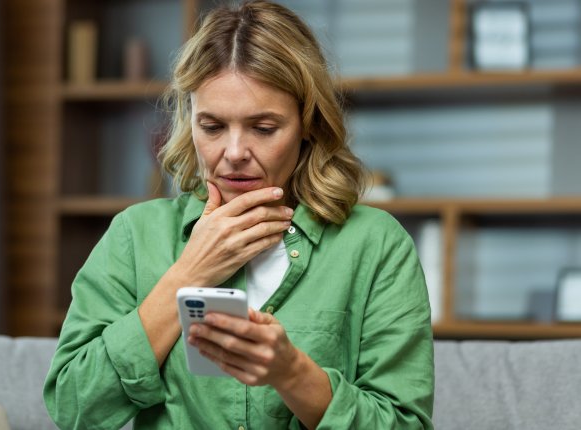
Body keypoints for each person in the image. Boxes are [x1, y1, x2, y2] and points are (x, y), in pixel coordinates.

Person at [44, 1, 434, 429]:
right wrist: (189, 273)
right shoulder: (135, 236)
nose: (233, 154)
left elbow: (403, 424)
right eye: (211, 127)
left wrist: (293, 373)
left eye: (264, 129)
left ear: (307, 123)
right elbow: (73, 408)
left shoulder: (376, 246)